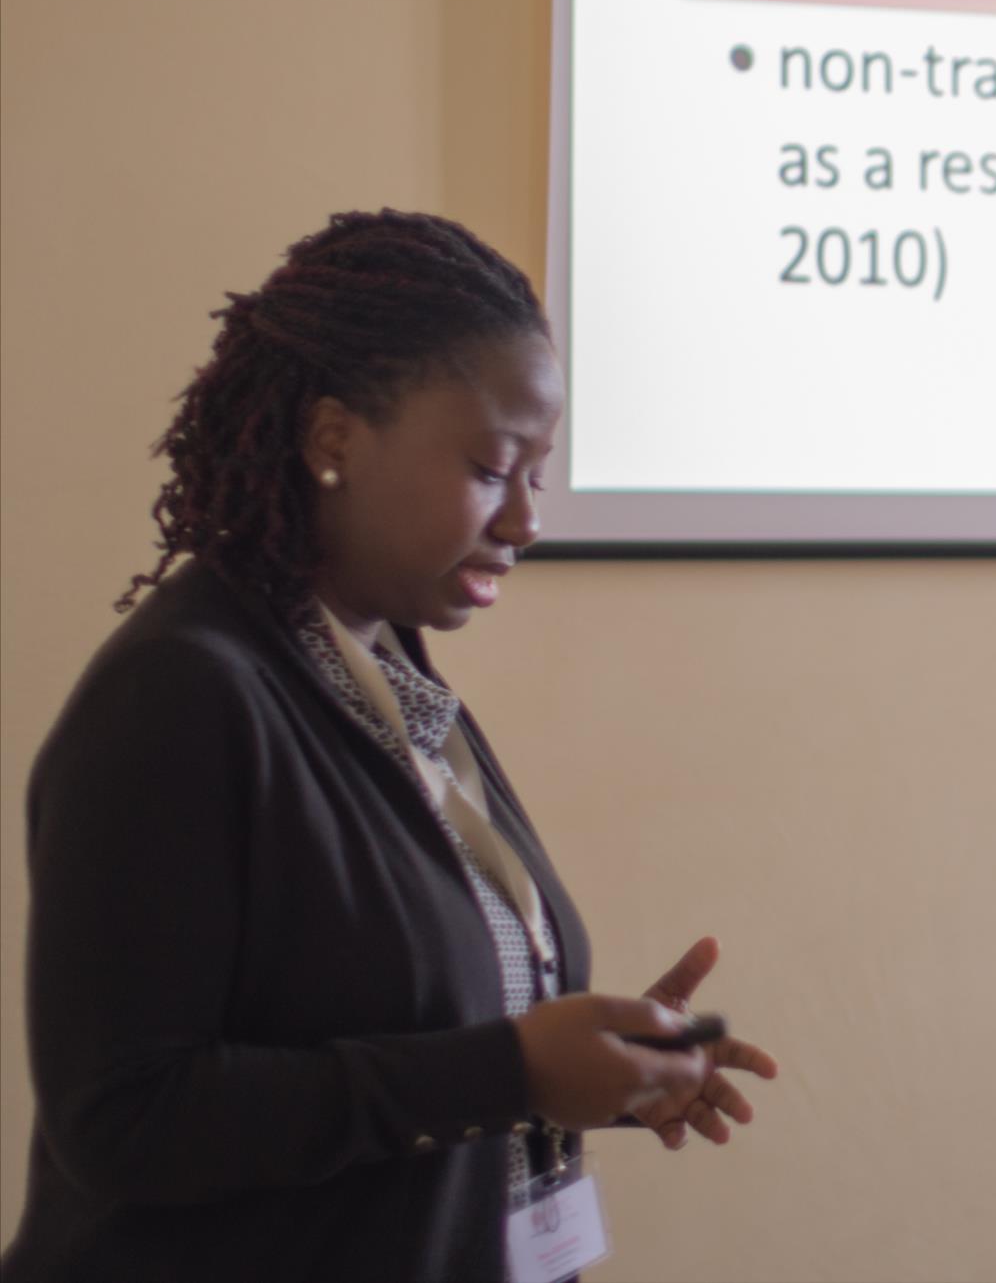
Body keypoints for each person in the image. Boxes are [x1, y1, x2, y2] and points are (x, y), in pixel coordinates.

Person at [1, 210, 778, 1282]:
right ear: (334, 441)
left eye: (540, 473)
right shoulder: (180, 693)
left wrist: (602, 1071)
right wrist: (509, 1072)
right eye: (493, 467)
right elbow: (126, 1120)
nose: (526, 521)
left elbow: (380, 1033)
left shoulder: (385, 669)